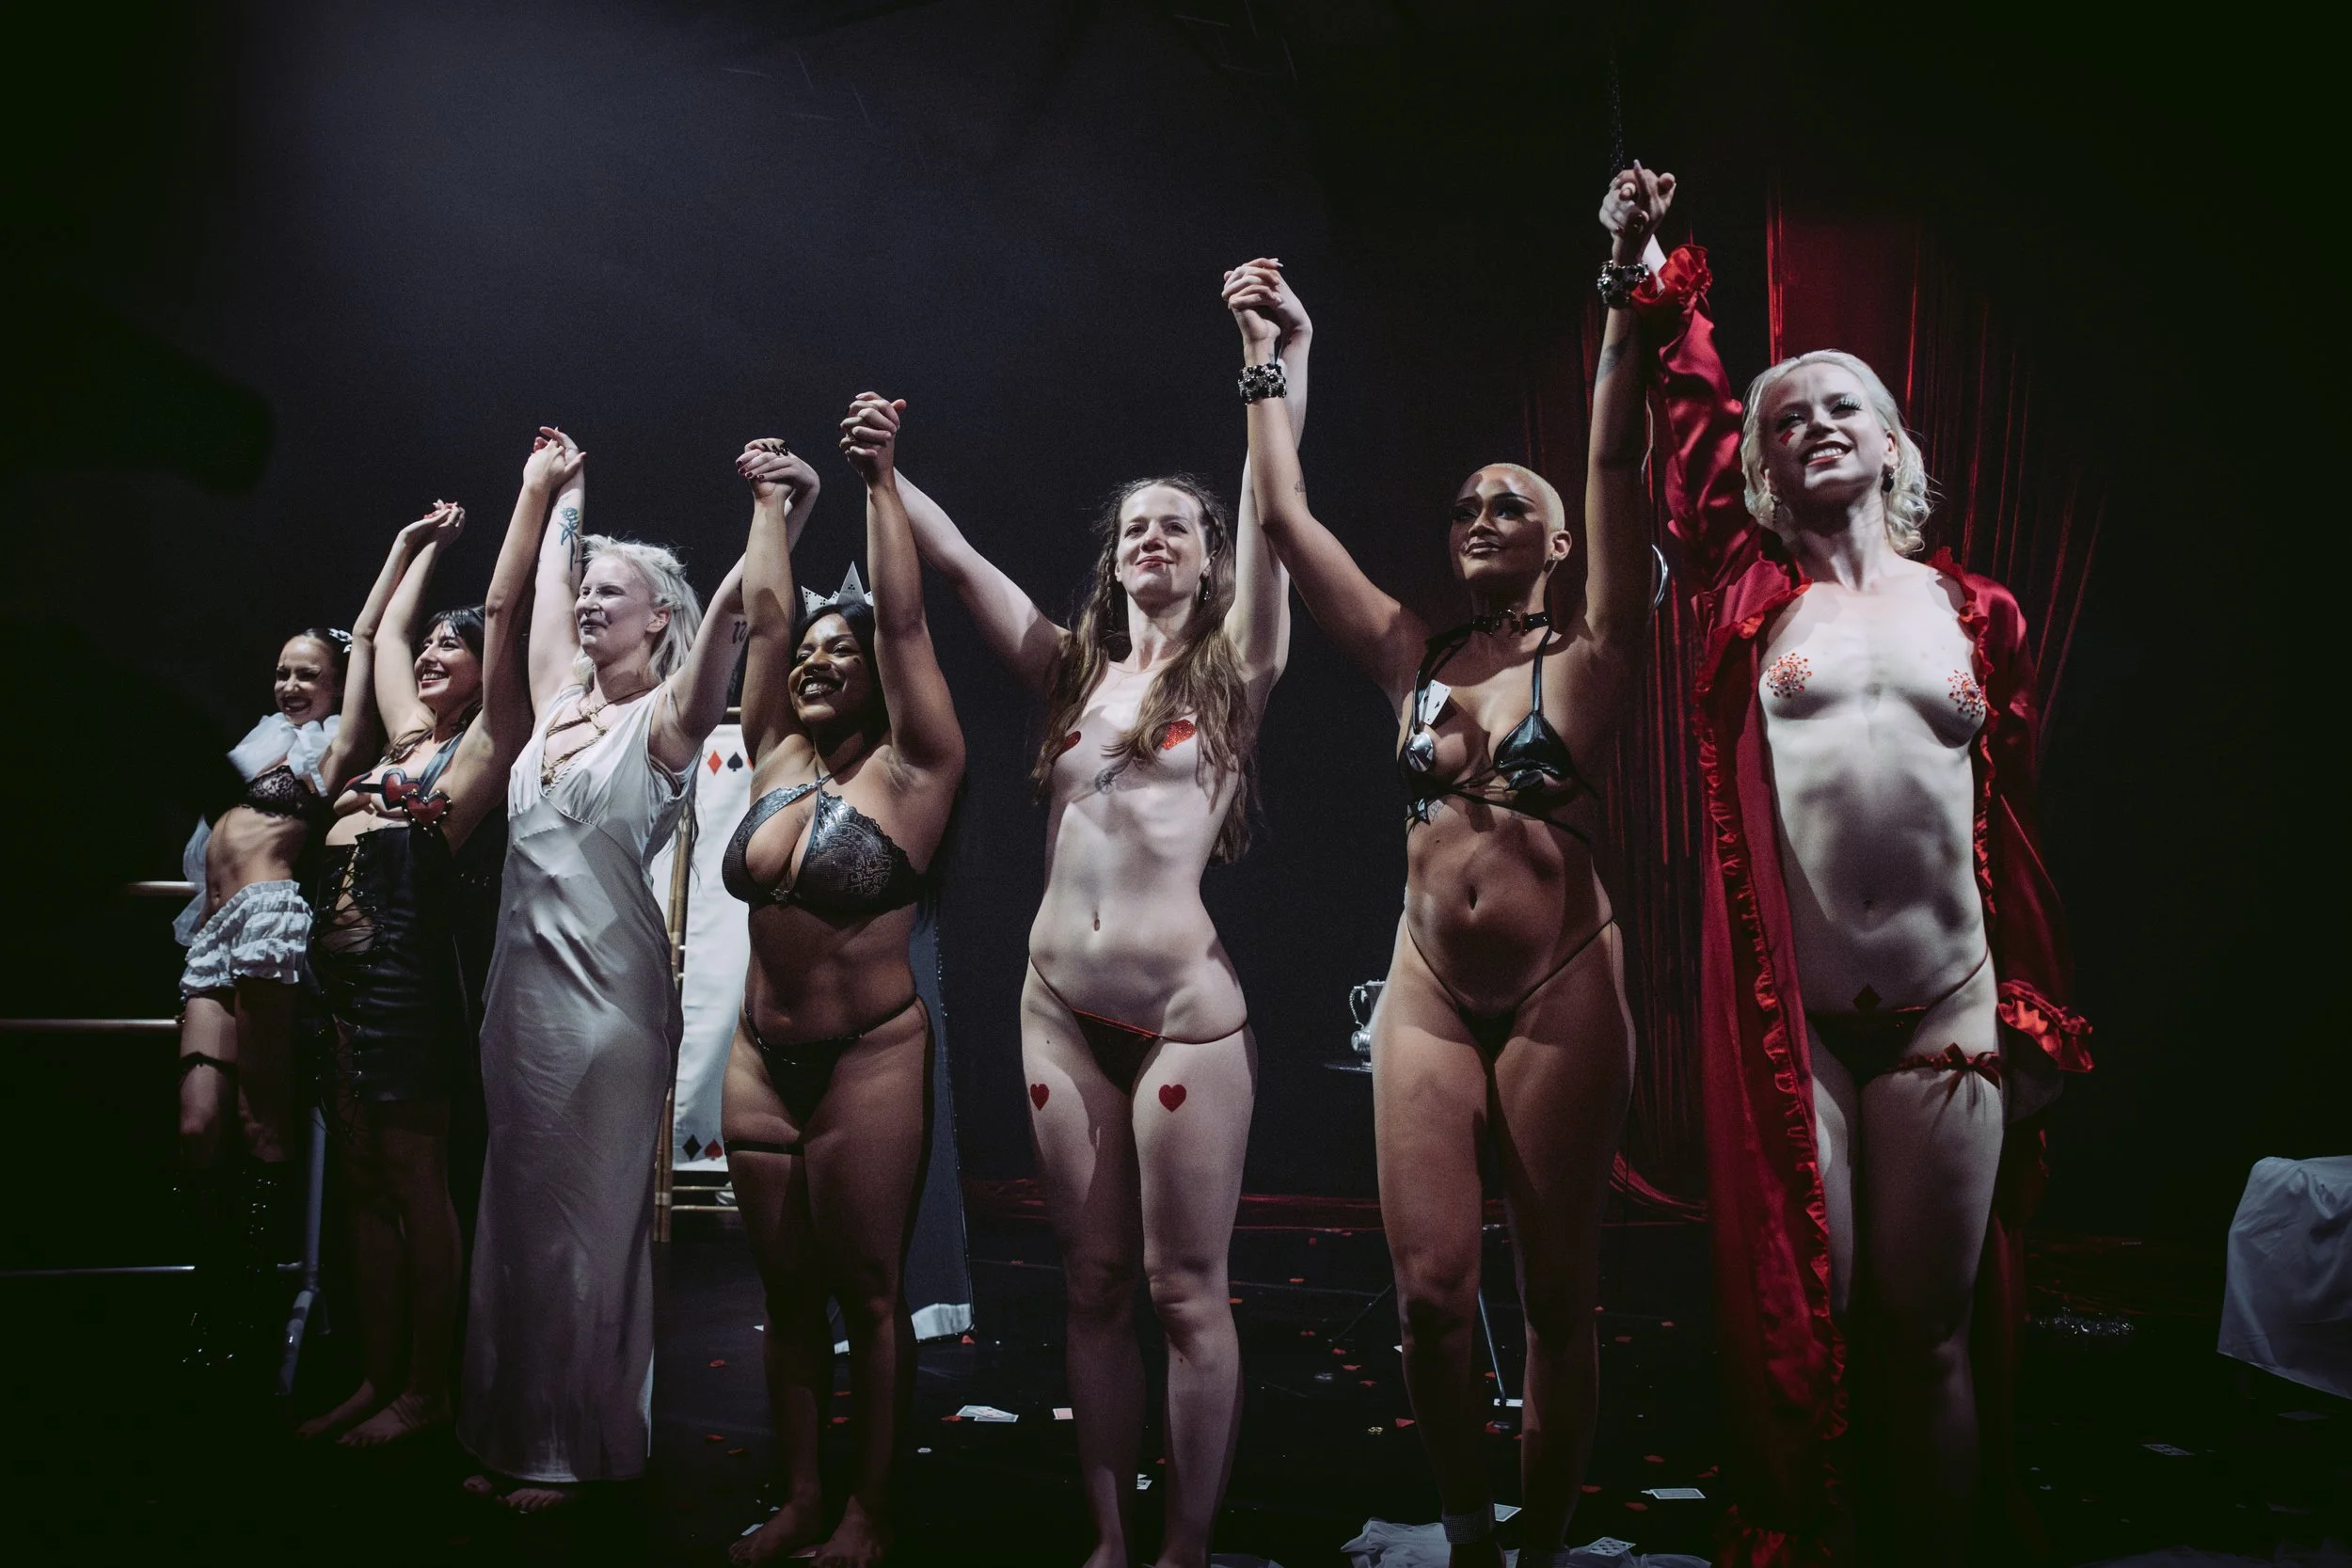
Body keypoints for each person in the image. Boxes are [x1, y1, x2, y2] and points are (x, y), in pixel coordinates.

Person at [1608, 167, 2091, 1564]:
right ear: (1759, 467)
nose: (1813, 421)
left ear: (1892, 443)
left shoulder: (1976, 611)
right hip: (1795, 1026)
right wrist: (1645, 262)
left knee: (1927, 1329)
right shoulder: (1747, 597)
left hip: (1947, 1002)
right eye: (1785, 415)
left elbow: (2013, 829)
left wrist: (2034, 1003)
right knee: (1804, 1325)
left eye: (1841, 405)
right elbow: (1685, 416)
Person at [869, 258, 1309, 1568]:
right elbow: (953, 567)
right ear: (1112, 561)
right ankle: (1110, 1537)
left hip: (1184, 1017)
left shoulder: (1237, 671)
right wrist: (886, 470)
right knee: (1093, 1284)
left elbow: (1276, 515)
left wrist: (1265, 357)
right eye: (1135, 530)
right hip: (1057, 1006)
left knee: (1184, 1289)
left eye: (1177, 526)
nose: (1153, 541)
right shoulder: (1066, 672)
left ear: (1207, 555)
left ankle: (1185, 1542)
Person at [1237, 243, 1654, 1563]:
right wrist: (1271, 353)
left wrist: (1619, 304)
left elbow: (1616, 467)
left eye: (1509, 502)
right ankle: (1473, 1534)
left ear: (1559, 540)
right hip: (1424, 983)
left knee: (1559, 1293)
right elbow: (1286, 522)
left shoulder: (1593, 654)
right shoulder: (1411, 653)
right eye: (1465, 501)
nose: (1479, 512)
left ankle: (1542, 1544)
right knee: (1427, 1293)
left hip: (1559, 983)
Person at [457, 428, 749, 1511]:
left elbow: (728, 621)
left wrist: (775, 514)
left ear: (655, 616)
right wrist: (561, 487)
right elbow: (531, 587)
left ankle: (579, 1447)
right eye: (588, 594)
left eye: (611, 594)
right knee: (519, 1223)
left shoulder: (663, 722)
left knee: (588, 1226)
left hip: (606, 1008)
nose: (588, 606)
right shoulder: (551, 702)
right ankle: (508, 1431)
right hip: (517, 1007)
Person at [718, 406, 964, 1567]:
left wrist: (880, 479)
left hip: (869, 1053)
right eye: (811, 653)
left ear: (880, 678)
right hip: (761, 1058)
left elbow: (906, 616)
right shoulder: (773, 752)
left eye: (839, 652)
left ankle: (869, 1508)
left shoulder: (919, 764)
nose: (815, 660)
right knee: (786, 1293)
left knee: (868, 1292)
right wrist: (768, 505)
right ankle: (804, 1495)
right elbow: (767, 621)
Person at [298, 499, 529, 1446]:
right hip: (339, 991)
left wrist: (529, 505)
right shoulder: (401, 741)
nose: (431, 651)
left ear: (483, 673)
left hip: (408, 981)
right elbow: (378, 631)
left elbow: (504, 628)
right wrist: (410, 546)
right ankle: (378, 1373)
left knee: (413, 1177)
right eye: (431, 642)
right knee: (362, 1183)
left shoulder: (480, 746)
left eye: (453, 645)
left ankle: (426, 1388)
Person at [173, 601, 387, 1375]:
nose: (292, 683)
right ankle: (213, 1282)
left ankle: (251, 1308)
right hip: (212, 929)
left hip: (265, 919)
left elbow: (365, 646)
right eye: (284, 671)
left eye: (309, 674)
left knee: (261, 1123)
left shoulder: (331, 751)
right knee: (199, 1126)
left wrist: (402, 550)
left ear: (335, 686)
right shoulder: (253, 745)